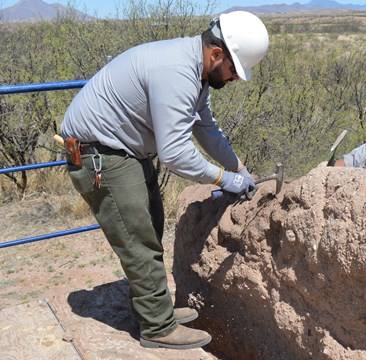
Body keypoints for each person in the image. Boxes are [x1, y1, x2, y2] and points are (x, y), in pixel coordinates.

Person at [60, 11, 269, 350]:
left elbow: (205, 129)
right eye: (234, 70)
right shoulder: (176, 71)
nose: (233, 79)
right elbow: (174, 153)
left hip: (124, 151)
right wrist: (224, 178)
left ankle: (151, 309)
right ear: (216, 54)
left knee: (150, 226)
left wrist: (240, 167)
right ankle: (157, 328)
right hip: (100, 154)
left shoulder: (196, 71)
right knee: (138, 238)